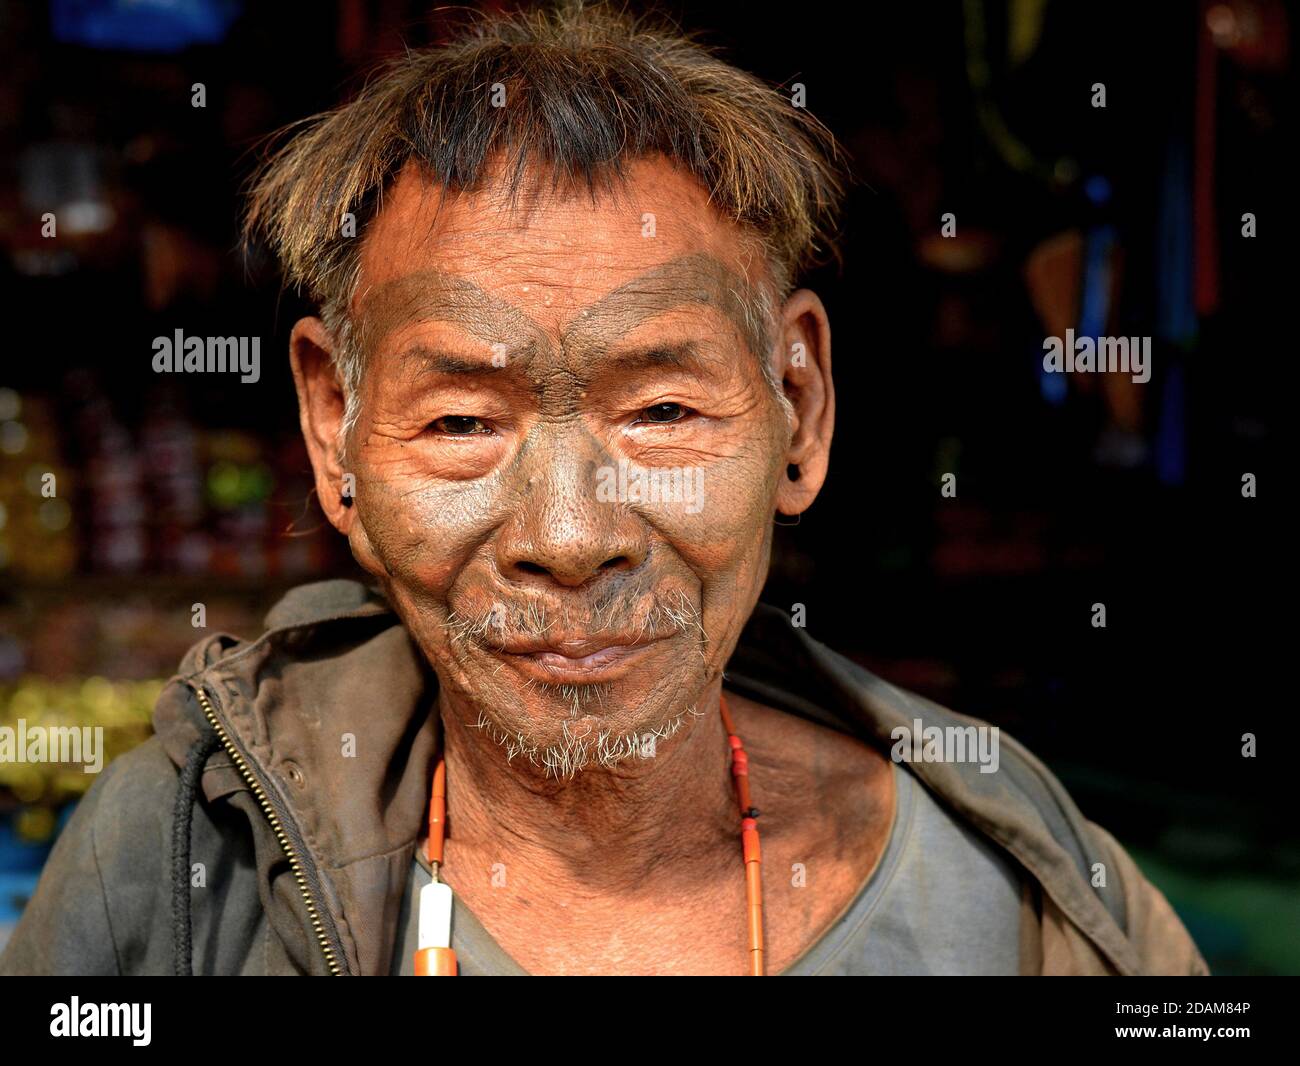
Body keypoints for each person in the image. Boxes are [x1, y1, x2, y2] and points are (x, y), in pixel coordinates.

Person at [0, 4, 1207, 976]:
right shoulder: (175, 861)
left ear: (798, 406)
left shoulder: (1028, 903)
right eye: (463, 418)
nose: (568, 539)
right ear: (335, 431)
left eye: (663, 411)